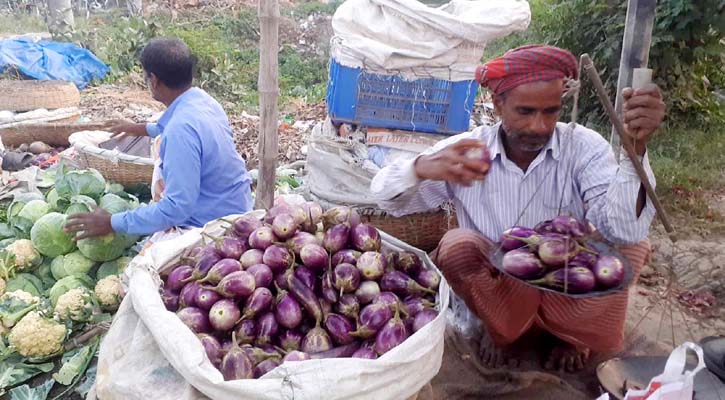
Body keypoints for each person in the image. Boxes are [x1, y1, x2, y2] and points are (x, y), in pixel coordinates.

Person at [370, 45, 666, 372]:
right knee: (456, 247)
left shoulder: (582, 146)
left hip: (566, 281)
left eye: (550, 111)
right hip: (500, 286)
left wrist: (635, 149)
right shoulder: (467, 151)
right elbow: (385, 199)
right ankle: (500, 331)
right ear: (498, 104)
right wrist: (422, 166)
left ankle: (571, 336)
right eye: (524, 112)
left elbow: (624, 230)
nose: (539, 126)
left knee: (634, 247)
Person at [65, 37, 253, 240]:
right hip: (239, 205)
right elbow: (173, 127)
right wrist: (137, 128)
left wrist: (111, 222)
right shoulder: (203, 101)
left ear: (153, 80)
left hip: (217, 226)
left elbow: (176, 209)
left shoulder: (179, 131)